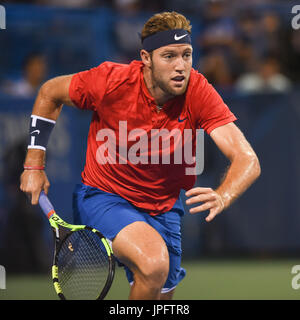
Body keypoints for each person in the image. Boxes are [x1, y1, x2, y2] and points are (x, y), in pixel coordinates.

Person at [20, 11, 261, 300]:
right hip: (105, 197)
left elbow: (248, 159)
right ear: (146, 58)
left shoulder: (197, 90)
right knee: (154, 264)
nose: (181, 66)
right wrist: (34, 164)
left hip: (164, 208)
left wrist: (224, 195)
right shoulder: (110, 80)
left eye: (187, 55)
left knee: (160, 293)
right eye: (169, 56)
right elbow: (49, 92)